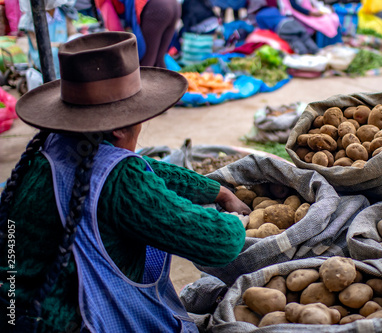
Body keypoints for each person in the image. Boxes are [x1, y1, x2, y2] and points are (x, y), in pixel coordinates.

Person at [0, 31, 249, 332]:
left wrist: (215, 190)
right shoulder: (121, 182)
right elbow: (219, 244)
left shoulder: (48, 151)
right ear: (119, 127)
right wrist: (237, 222)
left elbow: (147, 169)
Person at [96, 0, 180, 68]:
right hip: (174, 5)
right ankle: (165, 88)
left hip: (156, 7)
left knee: (146, 63)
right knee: (159, 60)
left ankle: (146, 88)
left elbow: (115, 31)